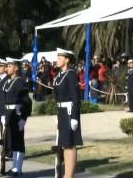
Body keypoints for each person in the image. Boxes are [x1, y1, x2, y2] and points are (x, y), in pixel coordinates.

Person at [53, 48, 83, 178]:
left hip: (70, 112)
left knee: (70, 144)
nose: (57, 60)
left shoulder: (71, 74)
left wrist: (75, 117)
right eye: (57, 57)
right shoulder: (59, 76)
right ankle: (67, 174)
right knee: (65, 144)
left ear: (67, 60)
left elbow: (76, 98)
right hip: (62, 112)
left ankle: (69, 176)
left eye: (60, 58)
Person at [3, 57, 32, 176]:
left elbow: (27, 102)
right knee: (11, 142)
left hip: (17, 114)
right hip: (9, 114)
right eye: (7, 66)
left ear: (16, 68)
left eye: (9, 66)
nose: (7, 68)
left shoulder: (20, 82)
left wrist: (23, 119)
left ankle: (18, 168)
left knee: (18, 141)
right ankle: (14, 166)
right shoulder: (7, 81)